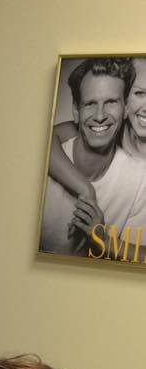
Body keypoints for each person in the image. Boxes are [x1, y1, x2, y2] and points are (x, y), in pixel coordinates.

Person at [40, 56, 146, 260]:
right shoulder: (52, 148)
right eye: (89, 104)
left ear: (123, 108)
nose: (99, 115)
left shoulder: (139, 179)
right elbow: (47, 135)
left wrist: (102, 240)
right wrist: (86, 189)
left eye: (111, 102)